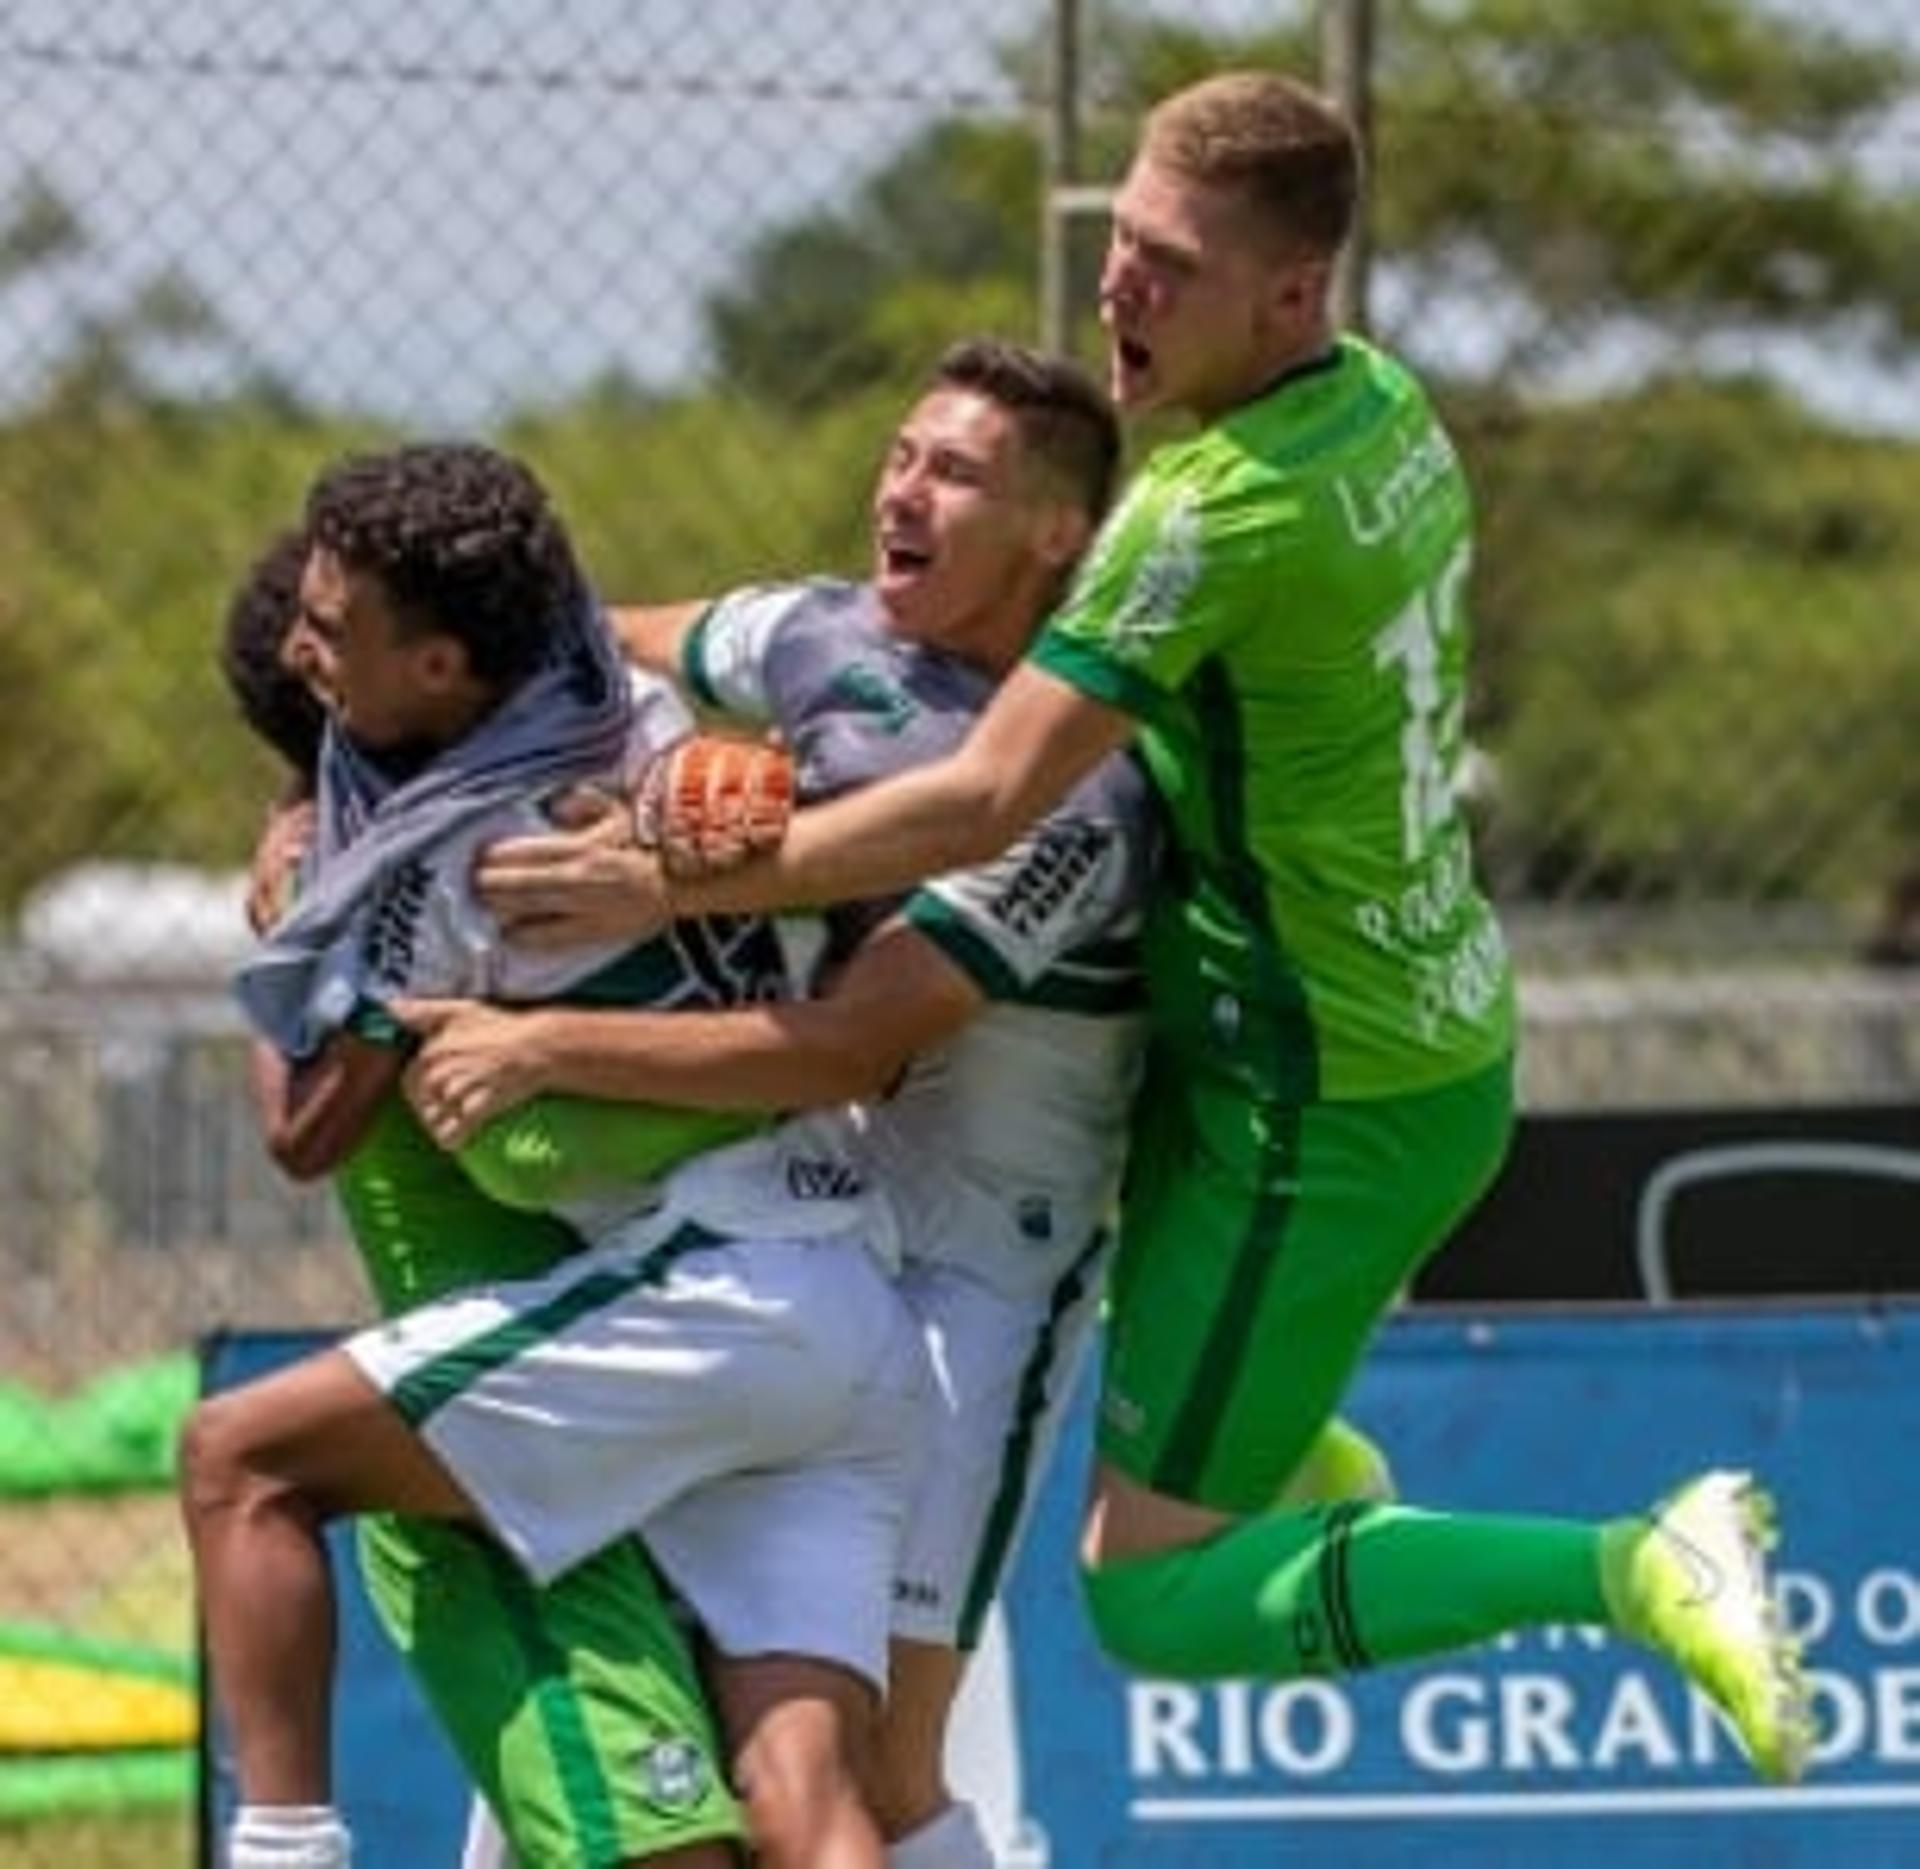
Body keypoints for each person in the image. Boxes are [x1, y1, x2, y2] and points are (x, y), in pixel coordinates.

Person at [471, 74, 1813, 1785]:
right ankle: (1284, 1460)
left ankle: (1634, 1560)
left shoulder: (1199, 517)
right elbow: (731, 647)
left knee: (1153, 1603)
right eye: (1121, 241)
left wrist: (673, 883)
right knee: (970, 1650)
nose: (1119, 287)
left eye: (1167, 265)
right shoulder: (1389, 411)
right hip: (1343, 1029)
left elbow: (975, 813)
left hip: (1315, 1100)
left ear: (1293, 294)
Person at [401, 339, 1394, 1869]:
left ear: (1060, 533)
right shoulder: (815, 635)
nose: (905, 491)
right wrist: (345, 782)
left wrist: (545, 1040)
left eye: (959, 472)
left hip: (981, 1282)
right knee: (689, 1691)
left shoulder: (1085, 782)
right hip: (803, 1230)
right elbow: (576, 656)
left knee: (879, 1756)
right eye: (902, 456)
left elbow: (847, 1046)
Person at [186, 442, 932, 1869]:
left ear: (449, 667)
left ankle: (283, 1849)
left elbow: (308, 1127)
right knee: (810, 1799)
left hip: (721, 1294)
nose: (303, 644)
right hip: (854, 1292)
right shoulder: (636, 712)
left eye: (333, 628)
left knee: (242, 1463)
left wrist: (300, 939)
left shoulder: (454, 861)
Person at [216, 524, 768, 1869]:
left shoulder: (498, 856)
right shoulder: (403, 879)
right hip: (518, 1446)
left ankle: (284, 1839)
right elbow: (304, 1125)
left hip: (564, 1426)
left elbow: (302, 1127)